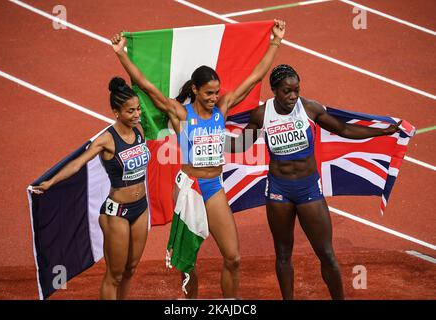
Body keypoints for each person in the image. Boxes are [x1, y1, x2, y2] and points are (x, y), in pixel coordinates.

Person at [111, 19, 286, 298]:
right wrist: (121, 53)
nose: (214, 97)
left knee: (233, 257)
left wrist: (275, 41)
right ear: (194, 89)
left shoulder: (222, 108)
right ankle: (190, 302)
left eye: (216, 92)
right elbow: (145, 86)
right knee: (188, 263)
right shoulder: (180, 113)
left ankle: (230, 302)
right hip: (188, 189)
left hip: (214, 187)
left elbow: (254, 77)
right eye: (208, 93)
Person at [228, 64, 402, 300]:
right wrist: (210, 143)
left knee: (327, 254)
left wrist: (381, 132)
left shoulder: (309, 109)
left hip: (308, 188)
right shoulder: (261, 115)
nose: (292, 96)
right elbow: (241, 145)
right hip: (279, 190)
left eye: (296, 90)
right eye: (286, 91)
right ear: (274, 91)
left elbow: (342, 129)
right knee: (282, 254)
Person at [32, 77, 151, 300]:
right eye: (130, 111)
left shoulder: (140, 131)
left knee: (131, 269)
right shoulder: (107, 139)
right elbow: (78, 163)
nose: (136, 115)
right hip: (118, 212)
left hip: (141, 208)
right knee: (114, 275)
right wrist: (51, 181)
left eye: (137, 110)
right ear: (116, 112)